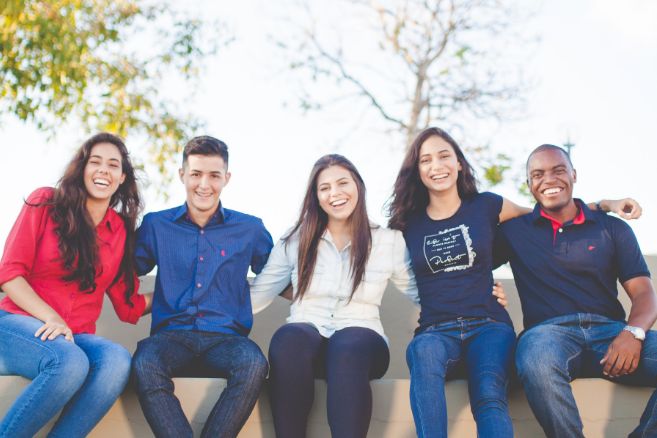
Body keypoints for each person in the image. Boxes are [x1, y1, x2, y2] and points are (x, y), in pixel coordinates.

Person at [386, 127, 639, 438]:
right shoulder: (407, 223)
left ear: (459, 163)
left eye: (444, 156)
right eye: (426, 160)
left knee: (490, 394)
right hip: (435, 329)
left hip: (488, 325)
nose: (436, 166)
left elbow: (545, 213)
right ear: (418, 170)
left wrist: (604, 205)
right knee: (423, 358)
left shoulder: (488, 205)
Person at [250, 154, 506, 438]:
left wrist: (480, 293)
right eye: (324, 188)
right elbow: (260, 293)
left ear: (358, 186)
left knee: (348, 344)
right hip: (307, 340)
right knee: (289, 338)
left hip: (362, 344)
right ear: (316, 196)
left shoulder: (387, 241)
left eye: (342, 183)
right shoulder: (296, 239)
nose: (335, 193)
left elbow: (426, 292)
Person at [495, 144, 656, 438]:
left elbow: (645, 293)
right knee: (536, 363)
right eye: (538, 174)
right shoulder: (514, 232)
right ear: (529, 184)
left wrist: (633, 333)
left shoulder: (612, 228)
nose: (549, 180)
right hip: (547, 336)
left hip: (611, 334)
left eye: (558, 170)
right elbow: (471, 239)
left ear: (574, 174)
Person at [0, 133, 150, 438]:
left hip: (74, 336)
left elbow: (128, 305)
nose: (103, 170)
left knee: (116, 361)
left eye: (112, 165)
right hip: (17, 324)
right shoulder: (46, 202)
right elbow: (9, 274)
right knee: (68, 362)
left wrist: (178, 292)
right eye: (95, 162)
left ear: (122, 177)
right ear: (82, 169)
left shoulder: (119, 230)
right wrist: (51, 317)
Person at [131, 135, 273, 438]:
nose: (204, 184)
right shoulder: (157, 225)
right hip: (170, 337)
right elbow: (123, 269)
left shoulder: (250, 229)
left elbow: (281, 275)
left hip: (227, 339)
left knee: (253, 363)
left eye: (214, 175)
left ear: (227, 178)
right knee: (144, 362)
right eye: (195, 174)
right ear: (182, 175)